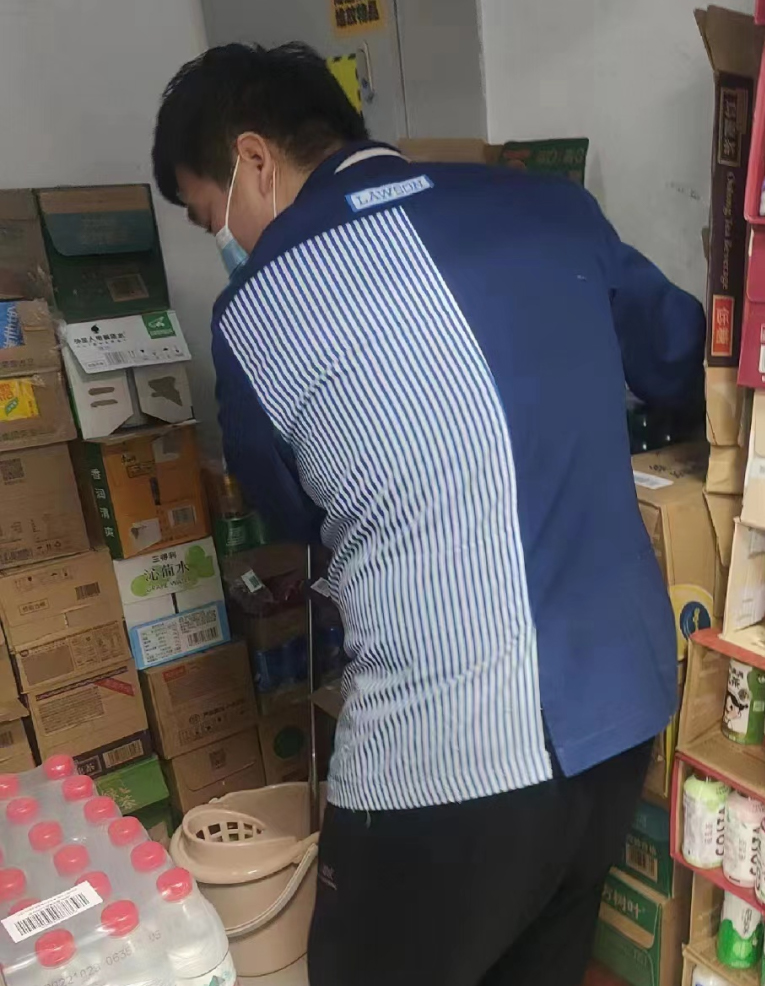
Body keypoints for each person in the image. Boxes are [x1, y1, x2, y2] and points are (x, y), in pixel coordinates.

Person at [152, 42, 704, 986]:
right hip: (621, 718)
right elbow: (683, 362)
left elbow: (296, 518)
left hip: (441, 767)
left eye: (212, 215)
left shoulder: (254, 317)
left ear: (255, 161)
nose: (227, 241)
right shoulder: (550, 207)